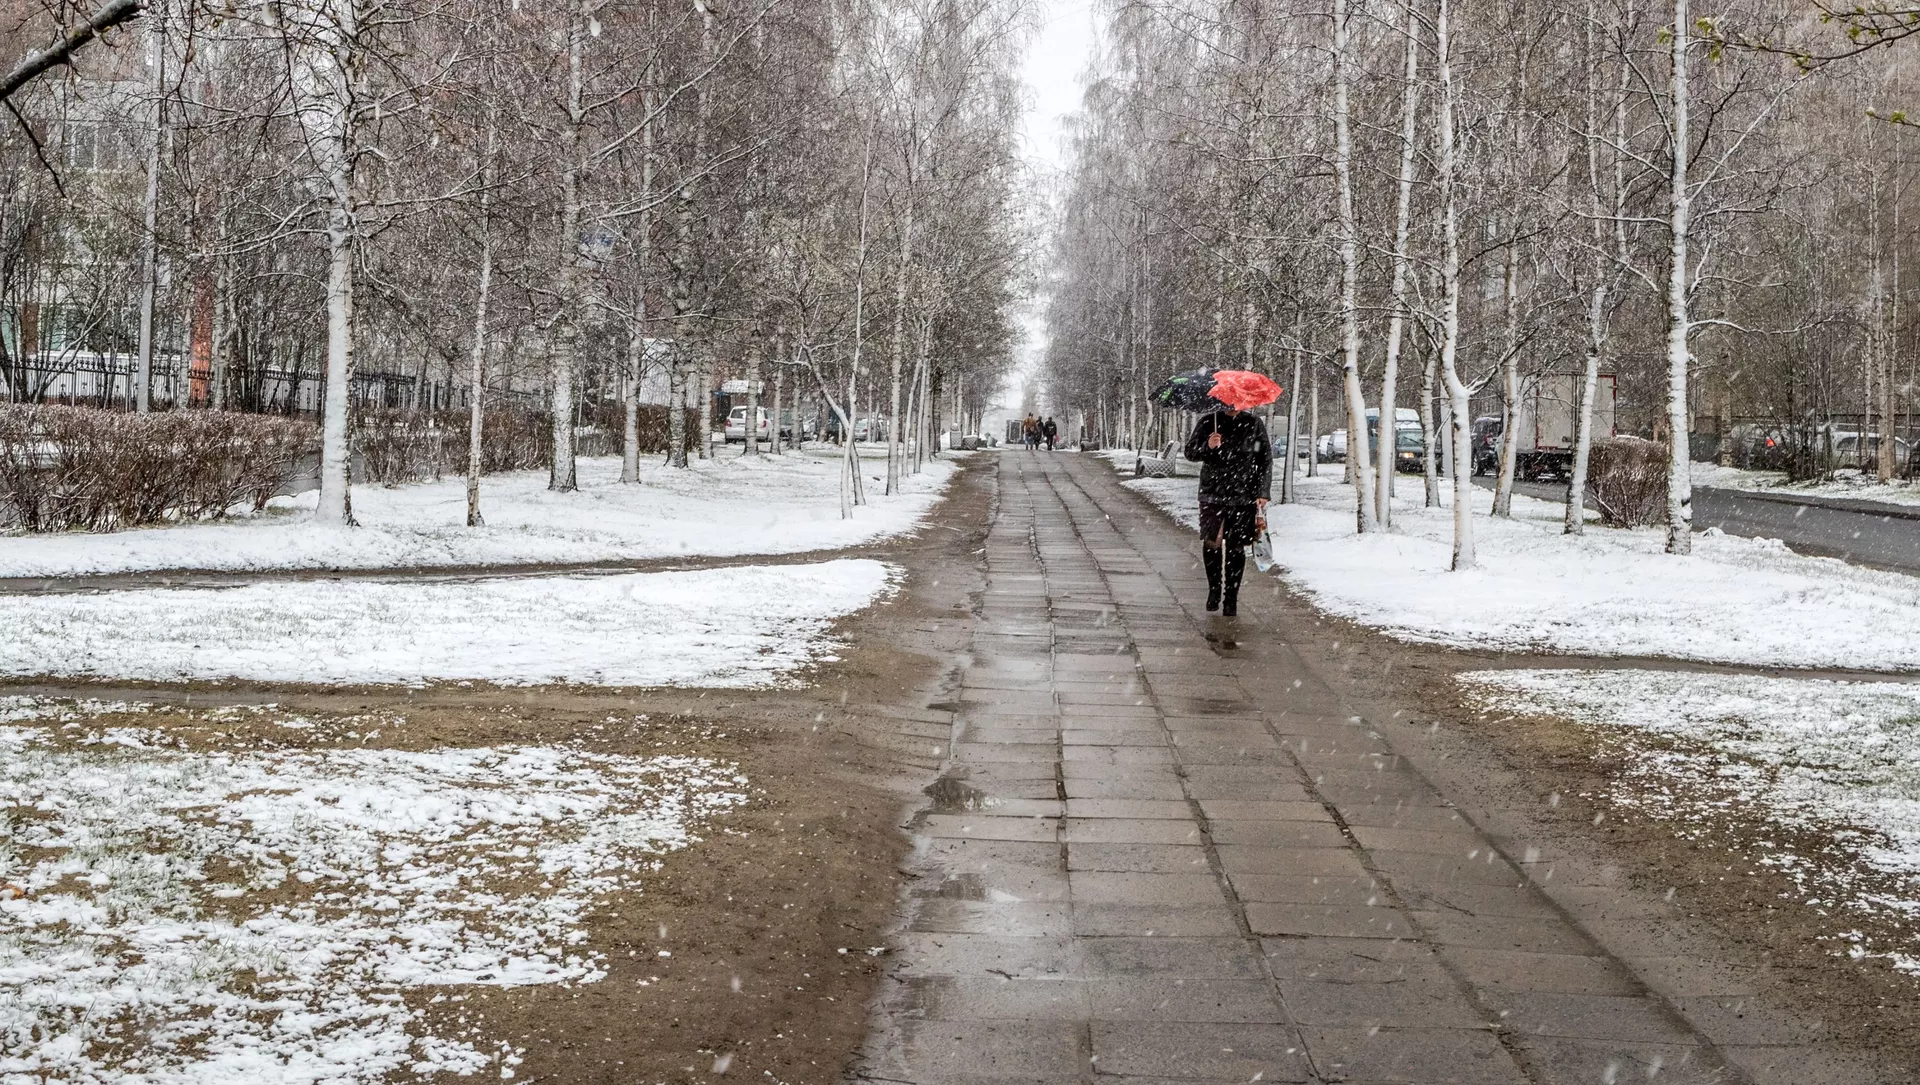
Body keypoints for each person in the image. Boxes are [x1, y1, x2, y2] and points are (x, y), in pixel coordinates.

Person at [1183, 406, 1271, 617]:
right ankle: (1214, 589)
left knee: (1236, 546)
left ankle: (1231, 598)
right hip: (1212, 493)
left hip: (1243, 494)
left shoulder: (1253, 423)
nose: (1233, 404)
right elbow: (1190, 452)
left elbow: (1265, 459)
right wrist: (1208, 446)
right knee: (1212, 542)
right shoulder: (1208, 421)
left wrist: (1263, 491)